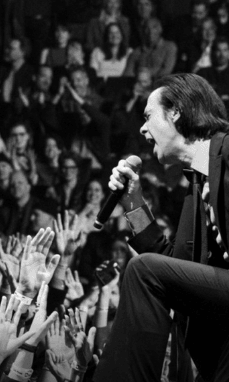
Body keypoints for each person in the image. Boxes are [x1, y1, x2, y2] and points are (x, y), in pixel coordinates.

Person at [97, 73, 229, 381]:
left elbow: (154, 273)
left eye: (148, 116)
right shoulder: (196, 186)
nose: (142, 128)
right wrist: (133, 204)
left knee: (143, 270)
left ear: (176, 112)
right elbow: (174, 268)